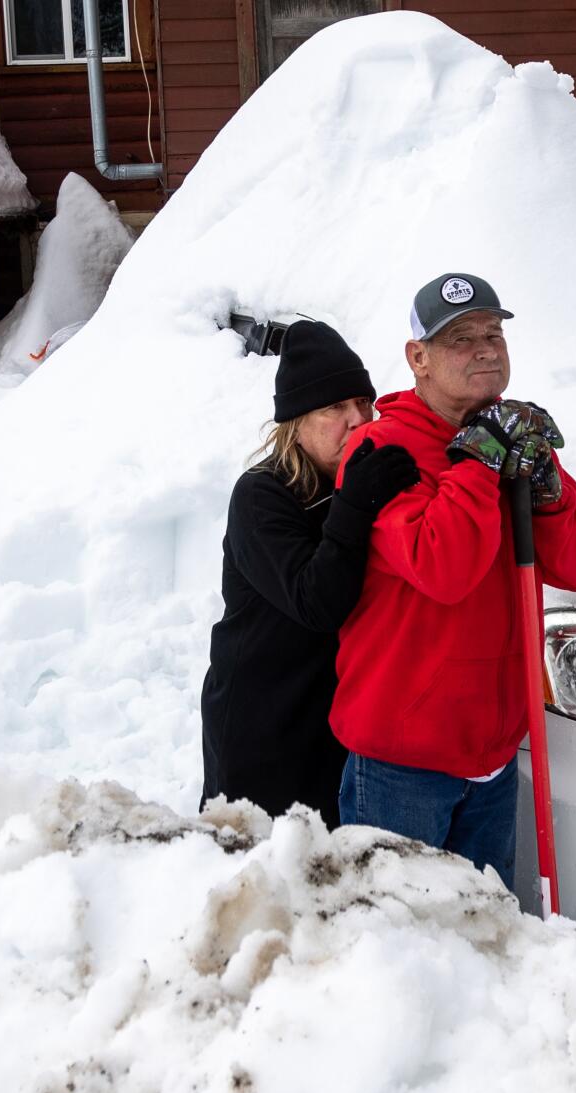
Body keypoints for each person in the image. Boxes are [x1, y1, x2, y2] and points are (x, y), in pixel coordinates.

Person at [331, 273, 576, 888]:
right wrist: (479, 463)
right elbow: (442, 567)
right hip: (402, 760)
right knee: (394, 943)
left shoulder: (511, 435)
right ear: (418, 358)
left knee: (487, 947)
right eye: (460, 338)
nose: (485, 348)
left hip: (493, 753)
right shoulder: (381, 450)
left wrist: (547, 490)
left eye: (493, 333)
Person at [201, 321, 419, 828]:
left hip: (337, 720)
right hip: (263, 721)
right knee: (261, 877)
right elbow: (315, 602)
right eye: (334, 409)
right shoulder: (262, 494)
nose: (357, 420)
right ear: (296, 422)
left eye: (363, 403)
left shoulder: (363, 480)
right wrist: (353, 504)